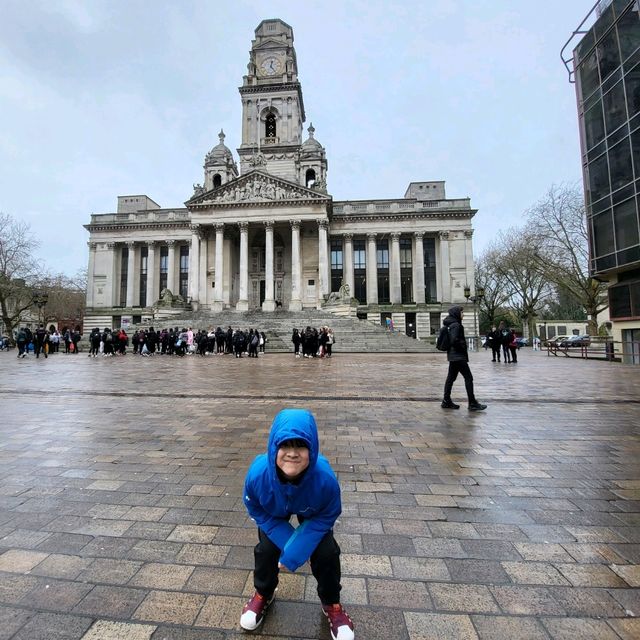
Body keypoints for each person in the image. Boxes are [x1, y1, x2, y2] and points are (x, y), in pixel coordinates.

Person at [240, 409, 355, 640]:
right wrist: (290, 546)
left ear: (311, 450)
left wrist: (303, 548)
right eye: (285, 446)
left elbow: (328, 514)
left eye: (300, 447)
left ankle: (331, 603)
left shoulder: (326, 481)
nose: (292, 453)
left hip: (312, 508)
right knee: (267, 549)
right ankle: (264, 592)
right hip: (274, 509)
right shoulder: (257, 476)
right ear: (274, 448)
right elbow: (255, 508)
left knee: (326, 552)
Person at [441, 306, 487, 411]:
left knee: (450, 379)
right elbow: (454, 340)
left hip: (453, 356)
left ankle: (446, 400)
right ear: (457, 313)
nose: (463, 314)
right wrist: (462, 345)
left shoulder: (450, 324)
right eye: (462, 312)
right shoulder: (457, 325)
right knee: (468, 378)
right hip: (458, 356)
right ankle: (472, 403)